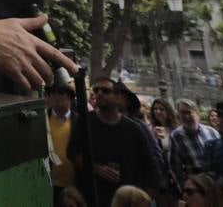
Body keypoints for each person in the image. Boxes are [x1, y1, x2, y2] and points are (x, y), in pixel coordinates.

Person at [67, 76, 161, 206]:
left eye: (105, 91)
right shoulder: (85, 121)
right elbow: (72, 152)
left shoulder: (133, 129)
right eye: (96, 90)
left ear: (118, 98)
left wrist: (145, 198)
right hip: (92, 197)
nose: (99, 93)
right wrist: (95, 167)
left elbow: (152, 167)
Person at [168, 99, 220, 188]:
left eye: (189, 112)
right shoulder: (176, 136)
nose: (186, 116)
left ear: (197, 113)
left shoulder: (211, 132)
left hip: (215, 182)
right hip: (196, 185)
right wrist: (183, 188)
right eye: (183, 113)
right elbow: (175, 167)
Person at [45, 80, 79, 199]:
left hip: (74, 185)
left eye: (61, 92)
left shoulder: (79, 122)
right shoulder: (42, 120)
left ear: (70, 98)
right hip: (48, 184)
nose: (56, 96)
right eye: (52, 93)